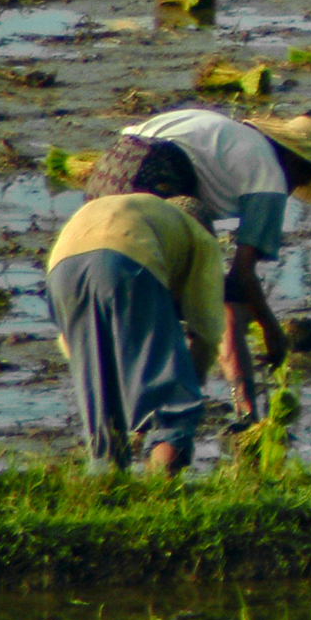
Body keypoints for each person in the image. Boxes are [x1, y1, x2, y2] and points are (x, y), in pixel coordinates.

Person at [87, 109, 311, 368]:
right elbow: (242, 276)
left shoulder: (235, 139)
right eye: (300, 180)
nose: (292, 190)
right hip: (154, 175)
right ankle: (190, 390)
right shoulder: (270, 175)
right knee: (198, 297)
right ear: (295, 163)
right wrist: (271, 330)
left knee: (118, 285)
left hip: (108, 170)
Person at [44, 191, 251, 471]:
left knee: (105, 419)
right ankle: (159, 493)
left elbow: (72, 345)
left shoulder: (149, 215)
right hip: (127, 260)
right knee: (174, 411)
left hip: (62, 268)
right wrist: (188, 381)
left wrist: (118, 386)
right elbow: (208, 330)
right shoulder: (200, 240)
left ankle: (105, 484)